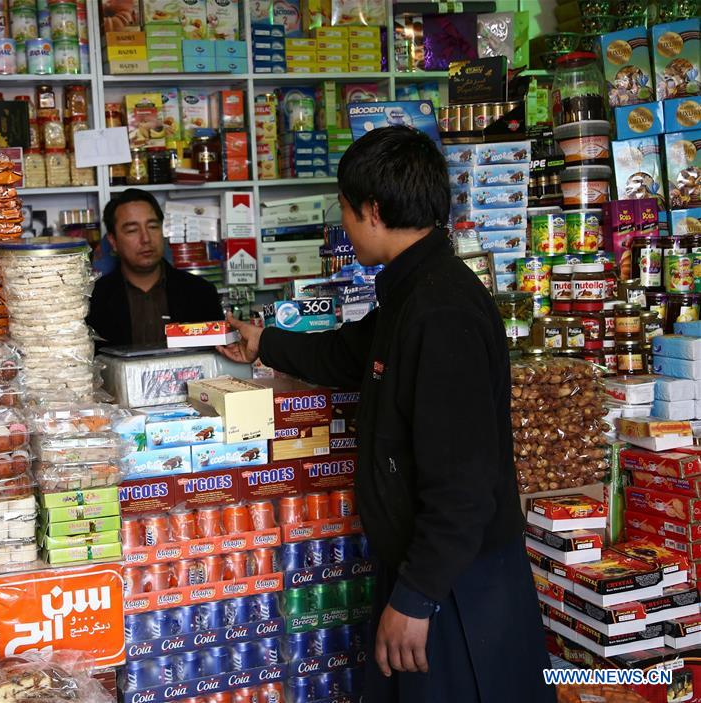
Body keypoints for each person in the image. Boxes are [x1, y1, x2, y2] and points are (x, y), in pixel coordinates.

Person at [219, 126, 554, 703]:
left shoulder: (441, 310)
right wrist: (265, 345)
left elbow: (463, 486)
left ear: (372, 210)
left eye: (346, 212)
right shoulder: (411, 289)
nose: (345, 228)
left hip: (459, 586)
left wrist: (416, 598)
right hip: (431, 571)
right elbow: (351, 353)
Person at [87, 188, 224, 346]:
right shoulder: (93, 301)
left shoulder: (201, 293)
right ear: (113, 242)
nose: (145, 238)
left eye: (152, 227)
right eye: (132, 230)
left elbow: (216, 358)